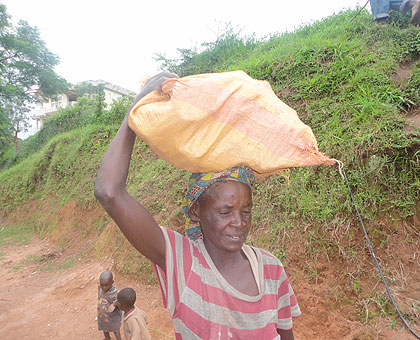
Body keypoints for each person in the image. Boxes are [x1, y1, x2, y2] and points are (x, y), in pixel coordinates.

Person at [94, 71, 301, 340]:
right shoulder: (183, 262)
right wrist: (136, 110)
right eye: (225, 212)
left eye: (246, 211)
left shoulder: (271, 269)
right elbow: (109, 192)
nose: (239, 223)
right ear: (196, 211)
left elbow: (286, 334)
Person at [97, 271, 122, 340]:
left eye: (106, 285)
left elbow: (120, 308)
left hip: (113, 318)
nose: (104, 288)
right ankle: (107, 337)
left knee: (115, 330)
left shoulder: (116, 295)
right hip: (103, 315)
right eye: (102, 285)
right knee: (104, 327)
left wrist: (116, 304)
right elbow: (99, 297)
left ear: (112, 282)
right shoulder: (100, 289)